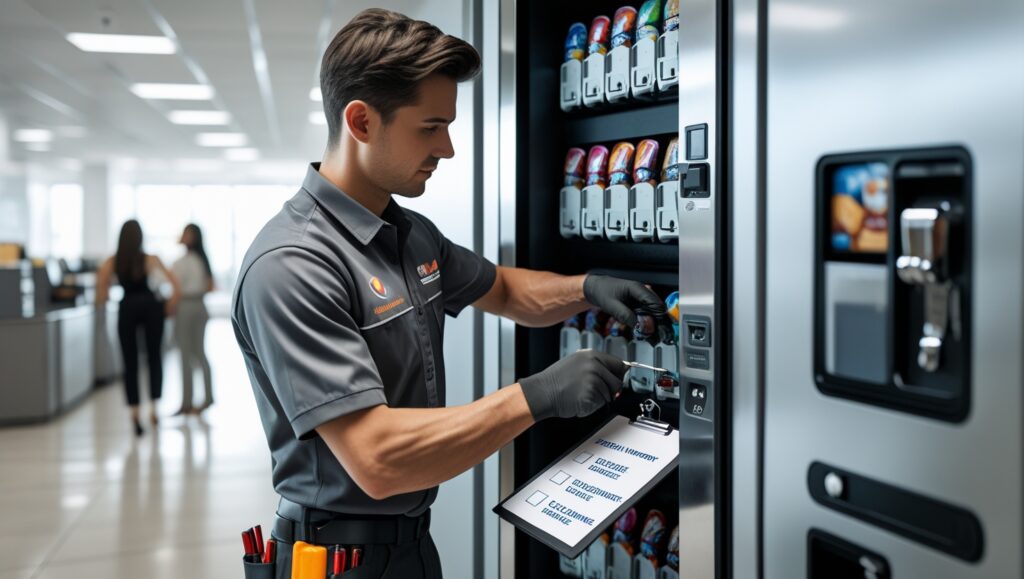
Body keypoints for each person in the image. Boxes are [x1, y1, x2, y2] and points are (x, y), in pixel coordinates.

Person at [230, 9, 666, 578]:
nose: (449, 149)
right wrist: (535, 397)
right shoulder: (293, 264)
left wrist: (588, 288)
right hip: (335, 561)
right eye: (430, 127)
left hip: (411, 547)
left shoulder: (409, 234)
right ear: (361, 122)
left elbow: (505, 289)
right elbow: (377, 457)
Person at [97, 220, 181, 436]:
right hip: (152, 308)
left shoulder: (112, 262)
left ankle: (135, 413)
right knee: (154, 357)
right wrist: (170, 305)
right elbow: (175, 285)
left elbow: (101, 294)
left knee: (130, 361)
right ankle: (154, 408)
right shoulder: (150, 259)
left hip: (127, 309)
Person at [171, 224, 215, 416]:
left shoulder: (185, 261)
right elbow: (210, 286)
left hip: (187, 306)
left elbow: (175, 286)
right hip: (199, 305)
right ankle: (205, 398)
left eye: (186, 233)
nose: (182, 236)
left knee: (187, 354)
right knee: (197, 353)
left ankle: (188, 402)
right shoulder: (202, 260)